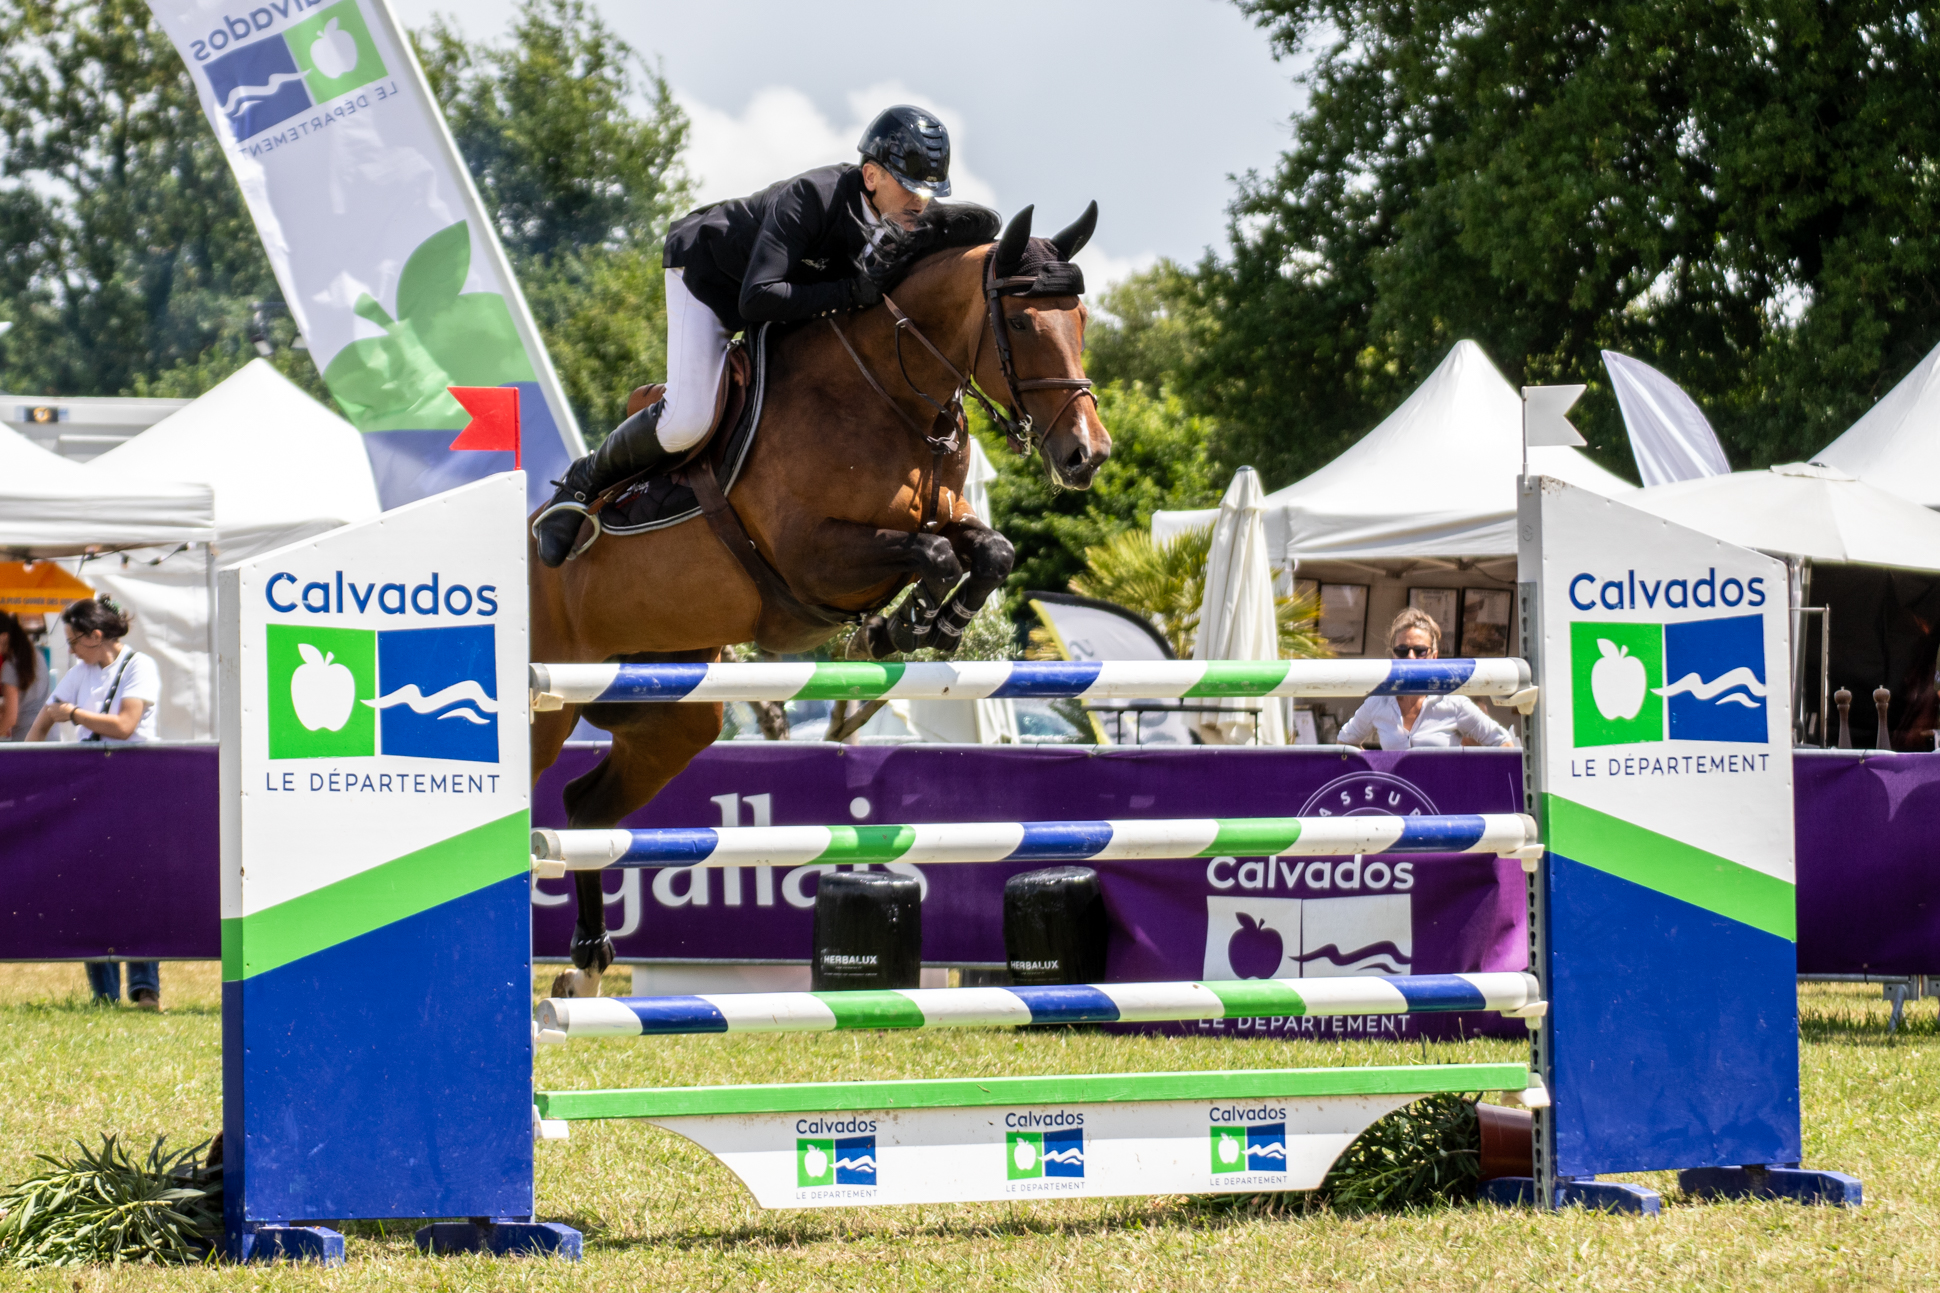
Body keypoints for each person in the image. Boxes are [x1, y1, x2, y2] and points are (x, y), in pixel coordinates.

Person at [533, 104, 952, 567]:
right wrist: (850, 292)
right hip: (711, 282)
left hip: (783, 303)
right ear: (871, 176)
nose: (922, 203)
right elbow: (758, 297)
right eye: (911, 187)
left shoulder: (904, 218)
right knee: (686, 420)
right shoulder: (812, 197)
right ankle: (583, 481)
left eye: (930, 192)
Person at [25, 597, 164, 1010]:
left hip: (134, 785)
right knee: (89, 884)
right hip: (88, 785)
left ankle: (144, 988)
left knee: (136, 885)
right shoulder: (79, 672)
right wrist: (29, 764)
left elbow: (125, 725)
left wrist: (75, 715)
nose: (69, 650)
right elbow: (45, 719)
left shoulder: (140, 666)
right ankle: (103, 994)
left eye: (73, 641)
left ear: (96, 635)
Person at [1338, 607, 1517, 750]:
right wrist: (1375, 768)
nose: (1410, 657)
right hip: (1395, 787)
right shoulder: (1378, 703)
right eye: (1402, 650)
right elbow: (1344, 742)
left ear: (1434, 656)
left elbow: (1504, 743)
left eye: (1420, 651)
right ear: (1393, 655)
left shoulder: (1454, 704)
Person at [1, 612, 51, 740]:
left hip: (27, 737)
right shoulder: (37, 656)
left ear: (4, 636)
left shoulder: (9, 667)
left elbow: (10, 718)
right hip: (50, 732)